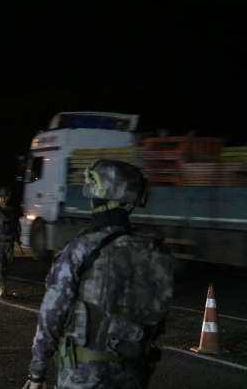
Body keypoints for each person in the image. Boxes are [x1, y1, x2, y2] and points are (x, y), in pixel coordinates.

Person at [23, 159, 175, 389]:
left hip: (84, 377)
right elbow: (157, 317)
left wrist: (37, 373)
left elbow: (52, 315)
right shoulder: (155, 251)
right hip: (132, 375)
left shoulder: (82, 249)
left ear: (99, 196)